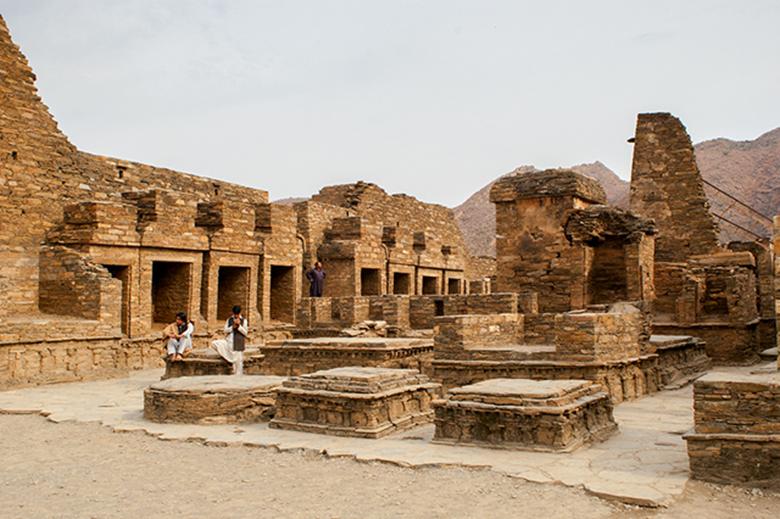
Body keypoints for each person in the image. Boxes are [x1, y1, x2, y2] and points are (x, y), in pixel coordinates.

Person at [210, 305, 249, 375]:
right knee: (214, 344)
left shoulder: (244, 321)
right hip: (229, 342)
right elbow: (225, 330)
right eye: (235, 314)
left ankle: (238, 378)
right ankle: (227, 359)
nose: (236, 316)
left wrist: (239, 326)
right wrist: (232, 327)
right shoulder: (229, 320)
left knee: (238, 364)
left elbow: (245, 333)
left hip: (238, 343)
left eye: (237, 314)